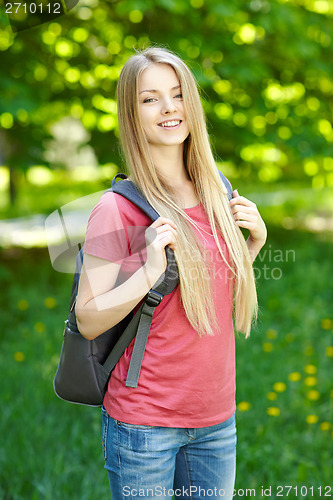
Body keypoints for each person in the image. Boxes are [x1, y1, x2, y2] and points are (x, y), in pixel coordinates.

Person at [75, 47, 267, 500]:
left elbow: (217, 302)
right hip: (145, 428)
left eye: (177, 94)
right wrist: (148, 271)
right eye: (150, 99)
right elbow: (87, 319)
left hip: (216, 422)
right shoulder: (116, 208)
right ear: (131, 113)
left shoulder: (218, 190)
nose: (168, 108)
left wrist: (251, 247)